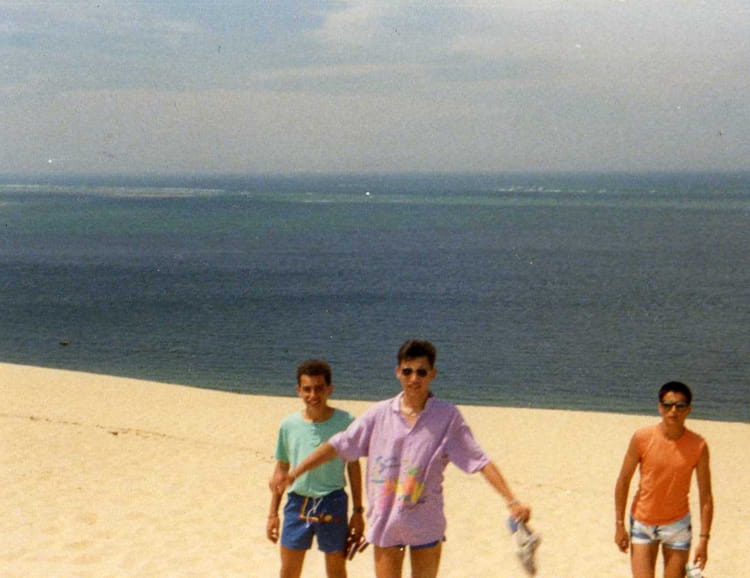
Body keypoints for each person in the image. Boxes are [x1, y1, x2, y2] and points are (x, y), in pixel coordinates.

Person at [275, 340, 532, 578]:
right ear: (398, 372)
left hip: (426, 522)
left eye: (421, 372)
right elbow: (338, 445)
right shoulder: (379, 414)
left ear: (432, 374)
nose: (414, 378)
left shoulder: (448, 416)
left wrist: (512, 501)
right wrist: (295, 473)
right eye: (408, 371)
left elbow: (480, 461)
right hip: (386, 522)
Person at [267, 359, 364, 578]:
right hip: (297, 503)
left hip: (333, 502)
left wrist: (358, 512)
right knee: (289, 572)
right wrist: (272, 513)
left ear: (330, 389)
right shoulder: (289, 425)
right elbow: (281, 469)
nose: (313, 395)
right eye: (307, 389)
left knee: (336, 571)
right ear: (298, 391)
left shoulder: (346, 421)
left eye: (319, 388)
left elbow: (354, 468)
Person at [614, 381, 713, 578]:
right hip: (642, 522)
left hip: (677, 526)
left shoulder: (698, 446)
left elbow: (706, 496)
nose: (673, 411)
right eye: (668, 405)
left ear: (688, 409)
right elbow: (623, 481)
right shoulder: (642, 438)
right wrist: (619, 525)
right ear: (660, 407)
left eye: (680, 406)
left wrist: (704, 540)